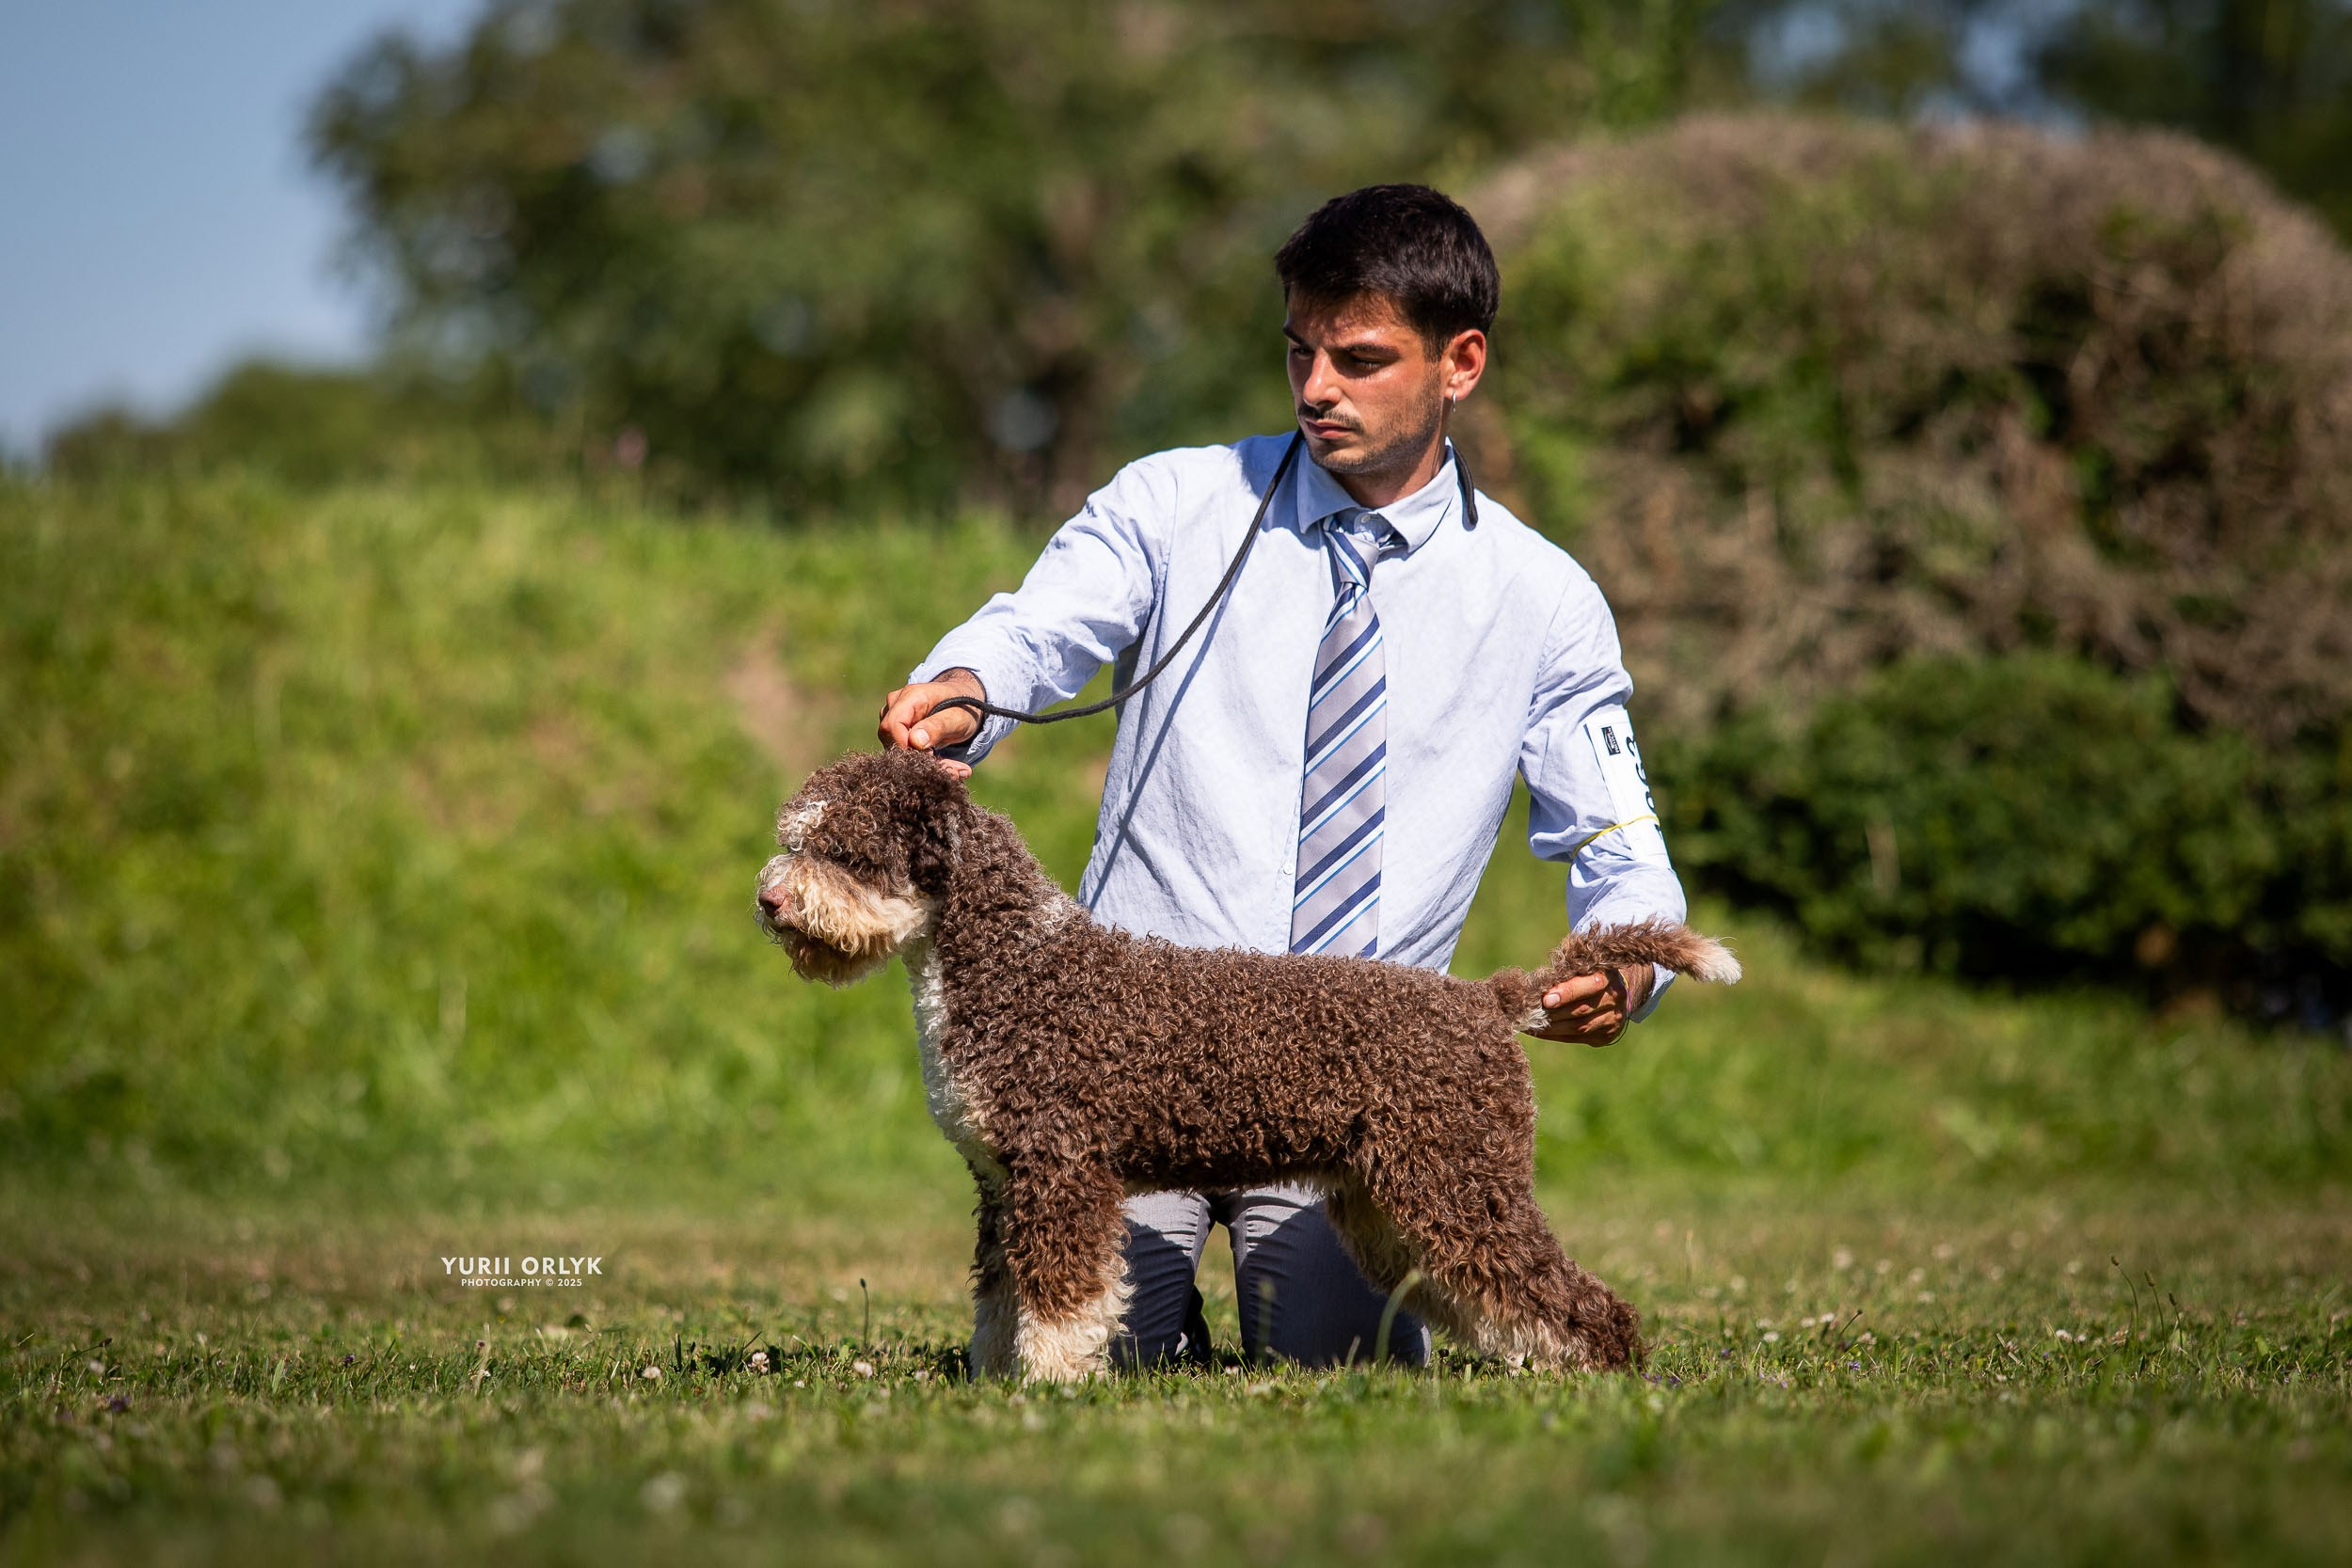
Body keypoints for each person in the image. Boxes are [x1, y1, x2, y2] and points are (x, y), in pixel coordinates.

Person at [875, 183, 1689, 1369]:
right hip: (1125, 1052)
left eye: (1359, 359)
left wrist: (1628, 966)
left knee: (1335, 1362)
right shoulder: (1174, 501)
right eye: (1299, 352)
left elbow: (1617, 838)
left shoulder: (1545, 599)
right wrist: (964, 685)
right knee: (1107, 1353)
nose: (1315, 389)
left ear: (1460, 362)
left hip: (1356, 1073)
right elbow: (1040, 625)